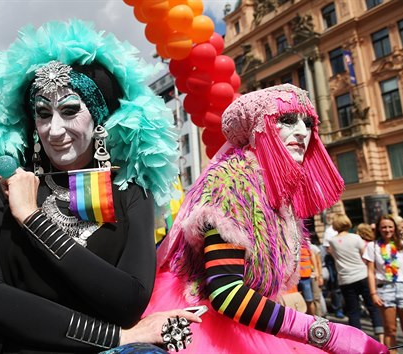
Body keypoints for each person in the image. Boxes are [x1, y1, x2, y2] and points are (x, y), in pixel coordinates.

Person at [0, 20, 199, 353]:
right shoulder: (3, 187)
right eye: (43, 114)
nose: (55, 129)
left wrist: (33, 219)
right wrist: (117, 338)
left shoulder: (131, 190)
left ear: (98, 117)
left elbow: (127, 301)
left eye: (69, 111)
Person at [145, 84, 388, 353]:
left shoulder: (276, 192)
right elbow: (225, 292)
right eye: (286, 120)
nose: (301, 131)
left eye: (307, 123)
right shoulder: (232, 183)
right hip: (205, 327)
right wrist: (324, 333)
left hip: (251, 324)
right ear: (257, 128)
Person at [364, 214, 403, 351]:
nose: (387, 230)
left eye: (390, 227)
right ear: (378, 229)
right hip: (385, 288)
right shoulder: (372, 246)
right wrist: (373, 293)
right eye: (383, 227)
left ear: (395, 228)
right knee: (390, 329)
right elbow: (370, 272)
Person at [327, 213, 383, 343]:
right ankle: (380, 336)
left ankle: (357, 340)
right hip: (362, 275)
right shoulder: (356, 237)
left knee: (353, 310)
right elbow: (365, 256)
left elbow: (334, 255)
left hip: (345, 279)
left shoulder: (332, 241)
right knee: (372, 306)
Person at [322, 214, 345, 318]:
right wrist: (338, 257)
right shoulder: (329, 231)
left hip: (343, 260)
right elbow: (328, 248)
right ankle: (337, 308)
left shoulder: (345, 232)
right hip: (333, 260)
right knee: (335, 285)